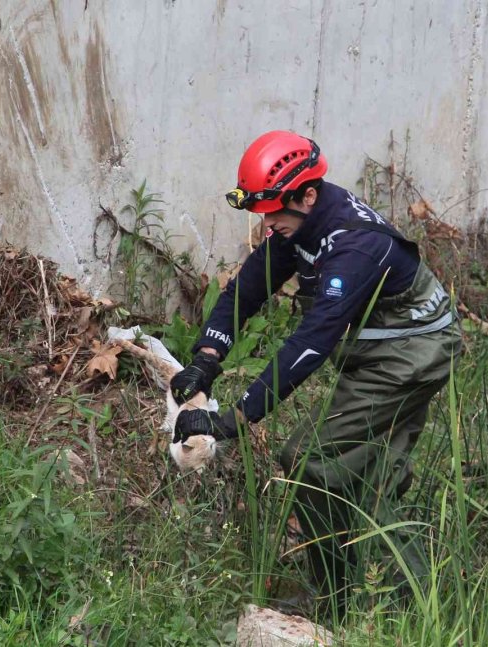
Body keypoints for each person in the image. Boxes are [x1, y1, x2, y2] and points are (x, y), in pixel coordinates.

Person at [170, 130, 462, 617]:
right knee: (369, 479)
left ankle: (337, 605)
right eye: (260, 213)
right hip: (384, 352)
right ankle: (407, 606)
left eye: (273, 212)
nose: (266, 224)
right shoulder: (299, 223)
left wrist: (236, 419)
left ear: (308, 194)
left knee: (309, 459)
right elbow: (248, 288)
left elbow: (311, 342)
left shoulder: (355, 247)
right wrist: (206, 358)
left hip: (411, 356)